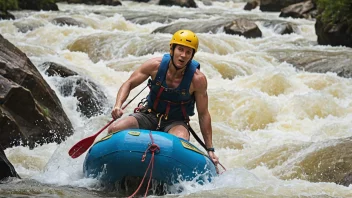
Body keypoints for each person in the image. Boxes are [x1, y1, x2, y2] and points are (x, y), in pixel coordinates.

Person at [108, 30, 219, 166]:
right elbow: (129, 83)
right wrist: (118, 105)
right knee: (114, 129)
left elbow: (203, 114)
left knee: (179, 143)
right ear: (172, 49)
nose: (183, 55)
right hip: (148, 115)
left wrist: (210, 149)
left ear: (192, 55)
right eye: (180, 49)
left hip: (176, 122)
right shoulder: (154, 66)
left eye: (188, 52)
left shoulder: (198, 80)